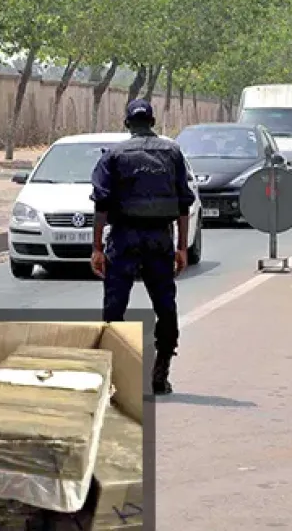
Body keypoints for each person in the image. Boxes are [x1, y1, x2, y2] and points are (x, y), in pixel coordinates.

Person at [89, 99, 196, 395]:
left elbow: (101, 205)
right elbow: (184, 204)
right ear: (152, 122)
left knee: (114, 309)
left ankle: (116, 377)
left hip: (123, 239)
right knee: (165, 307)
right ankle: (160, 374)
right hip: (159, 239)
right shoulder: (172, 153)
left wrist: (96, 248)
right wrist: (182, 248)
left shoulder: (114, 155)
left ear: (127, 124)